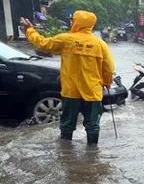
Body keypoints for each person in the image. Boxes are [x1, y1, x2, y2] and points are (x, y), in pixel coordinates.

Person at [20, 11, 115, 145]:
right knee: (93, 125)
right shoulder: (100, 45)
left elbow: (42, 44)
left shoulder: (65, 39)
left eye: (72, 20)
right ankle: (93, 155)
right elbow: (109, 67)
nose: (71, 22)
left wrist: (29, 30)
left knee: (67, 125)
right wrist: (107, 82)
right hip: (92, 92)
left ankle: (66, 155)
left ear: (77, 22)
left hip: (71, 92)